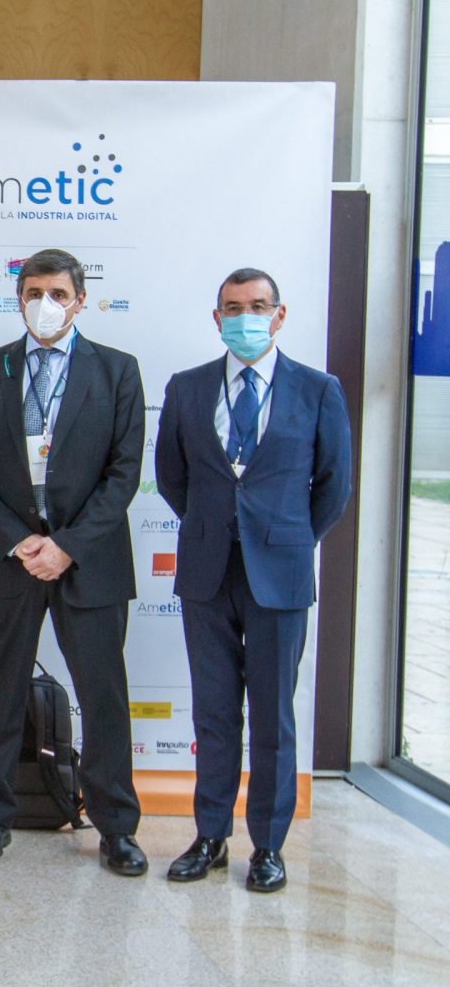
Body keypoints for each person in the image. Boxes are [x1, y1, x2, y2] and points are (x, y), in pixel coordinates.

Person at [0, 247, 148, 875]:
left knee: (103, 696)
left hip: (89, 560)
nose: (45, 304)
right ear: (18, 298)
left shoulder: (117, 370)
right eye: (34, 292)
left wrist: (66, 546)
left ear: (80, 301)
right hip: (8, 559)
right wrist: (19, 541)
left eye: (58, 294)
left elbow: (123, 473)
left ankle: (117, 827)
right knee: (2, 692)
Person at [156, 267, 351, 893]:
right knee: (214, 715)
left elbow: (333, 487)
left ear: (279, 315)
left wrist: (286, 537)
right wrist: (215, 526)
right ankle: (210, 837)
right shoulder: (187, 388)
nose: (246, 317)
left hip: (280, 575)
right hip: (207, 573)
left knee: (273, 718)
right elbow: (172, 478)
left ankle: (268, 846)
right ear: (217, 318)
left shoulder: (318, 390)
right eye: (234, 308)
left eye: (258, 306)